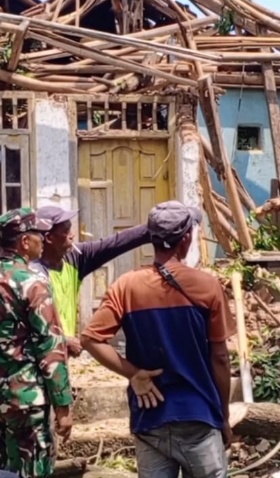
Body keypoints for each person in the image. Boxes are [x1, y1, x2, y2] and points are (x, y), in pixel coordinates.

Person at [81, 201, 232, 478]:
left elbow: (91, 339)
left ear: (152, 240)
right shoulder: (207, 285)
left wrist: (134, 373)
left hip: (150, 418)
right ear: (186, 239)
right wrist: (223, 416)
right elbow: (220, 357)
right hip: (198, 416)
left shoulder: (126, 286)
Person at [0, 208, 74, 477]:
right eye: (38, 236)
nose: (43, 241)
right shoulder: (33, 282)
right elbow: (49, 346)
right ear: (24, 242)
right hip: (26, 401)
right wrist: (63, 406)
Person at [32, 205, 151, 355]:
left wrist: (152, 228)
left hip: (58, 357)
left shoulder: (74, 258)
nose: (72, 235)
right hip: (36, 360)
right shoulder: (32, 274)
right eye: (66, 231)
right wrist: (63, 340)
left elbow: (115, 243)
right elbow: (27, 325)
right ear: (49, 238)